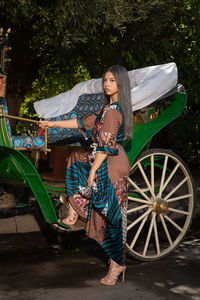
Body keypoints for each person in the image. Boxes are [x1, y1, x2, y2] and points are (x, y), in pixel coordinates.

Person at [39, 65, 133, 285]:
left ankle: (116, 264)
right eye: (105, 80)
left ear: (121, 83)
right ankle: (74, 210)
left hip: (111, 165)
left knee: (110, 219)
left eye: (112, 80)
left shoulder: (113, 113)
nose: (107, 84)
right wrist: (51, 124)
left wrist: (92, 172)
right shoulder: (105, 110)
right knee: (75, 158)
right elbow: (81, 123)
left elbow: (105, 145)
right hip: (101, 159)